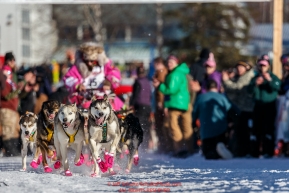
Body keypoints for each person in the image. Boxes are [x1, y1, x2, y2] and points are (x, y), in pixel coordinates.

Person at [153, 56, 192, 157]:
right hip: (184, 103)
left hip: (175, 104)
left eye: (172, 62)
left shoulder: (175, 74)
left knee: (173, 127)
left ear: (177, 63)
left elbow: (171, 90)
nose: (169, 64)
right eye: (168, 62)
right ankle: (190, 149)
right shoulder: (182, 72)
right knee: (186, 127)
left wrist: (159, 86)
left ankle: (180, 149)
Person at [248, 57, 280, 158]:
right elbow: (249, 91)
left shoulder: (273, 77)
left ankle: (268, 151)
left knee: (268, 130)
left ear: (268, 66)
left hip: (269, 106)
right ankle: (254, 152)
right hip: (258, 106)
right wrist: (255, 84)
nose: (262, 68)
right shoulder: (255, 78)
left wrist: (269, 81)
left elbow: (278, 87)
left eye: (264, 65)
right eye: (260, 65)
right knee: (256, 130)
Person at [193, 79, 233, 160]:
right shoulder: (222, 97)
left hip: (206, 131)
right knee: (220, 144)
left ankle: (211, 152)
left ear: (206, 88)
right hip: (221, 129)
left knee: (208, 152)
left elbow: (194, 113)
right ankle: (221, 148)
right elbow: (230, 110)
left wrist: (193, 122)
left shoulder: (201, 97)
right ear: (217, 87)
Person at [222, 61, 255, 157]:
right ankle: (240, 151)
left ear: (247, 68)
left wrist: (226, 80)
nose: (239, 69)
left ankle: (244, 152)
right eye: (238, 67)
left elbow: (237, 87)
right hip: (240, 108)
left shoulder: (247, 76)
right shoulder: (240, 77)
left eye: (241, 67)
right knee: (239, 131)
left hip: (246, 109)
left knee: (243, 132)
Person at [130, 65, 152, 152]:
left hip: (140, 105)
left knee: (140, 125)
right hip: (148, 106)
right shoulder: (147, 81)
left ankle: (141, 145)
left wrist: (131, 104)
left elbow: (135, 94)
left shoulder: (138, 82)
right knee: (146, 125)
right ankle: (146, 144)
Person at [0, 65, 20, 156]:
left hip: (12, 109)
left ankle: (13, 149)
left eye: (8, 73)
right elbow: (6, 95)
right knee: (7, 130)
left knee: (13, 130)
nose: (8, 75)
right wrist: (18, 90)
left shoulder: (11, 83)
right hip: (6, 109)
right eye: (5, 73)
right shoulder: (4, 83)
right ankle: (9, 150)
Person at [152, 57, 170, 153]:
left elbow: (160, 89)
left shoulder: (161, 72)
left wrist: (159, 101)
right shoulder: (165, 71)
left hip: (161, 102)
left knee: (160, 125)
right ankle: (164, 145)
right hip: (164, 102)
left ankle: (163, 146)